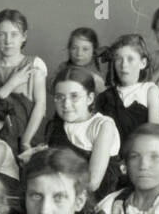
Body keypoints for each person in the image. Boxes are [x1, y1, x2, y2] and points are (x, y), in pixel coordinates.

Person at [40, 65, 121, 197]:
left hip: (94, 201)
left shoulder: (103, 125)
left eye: (74, 96)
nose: (66, 104)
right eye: (60, 97)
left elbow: (93, 183)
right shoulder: (56, 125)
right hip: (60, 194)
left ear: (90, 98)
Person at [0, 10, 48, 153]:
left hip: (29, 136)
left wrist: (26, 141)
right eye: (2, 34)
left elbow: (40, 105)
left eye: (14, 34)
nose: (8, 40)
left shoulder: (33, 65)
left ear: (24, 36)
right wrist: (11, 84)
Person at [97, 34, 159, 146]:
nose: (123, 65)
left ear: (143, 63)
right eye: (118, 59)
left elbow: (154, 135)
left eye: (130, 59)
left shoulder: (149, 91)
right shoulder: (105, 96)